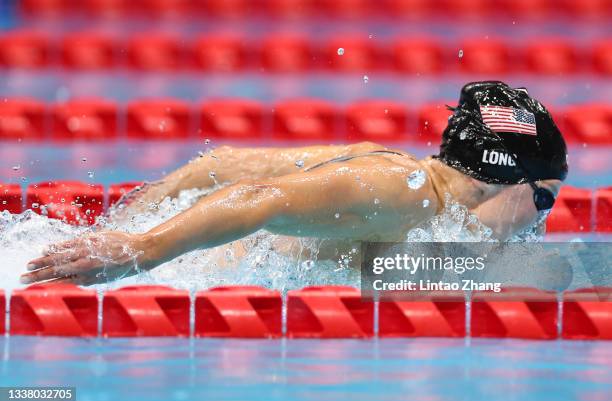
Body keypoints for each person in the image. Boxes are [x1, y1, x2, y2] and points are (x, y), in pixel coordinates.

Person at [21, 81, 568, 285]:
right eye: (543, 199)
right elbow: (258, 198)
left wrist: (124, 225)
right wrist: (139, 247)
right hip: (179, 281)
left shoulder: (399, 175)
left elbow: (222, 165)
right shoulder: (402, 193)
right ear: (507, 182)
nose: (540, 220)